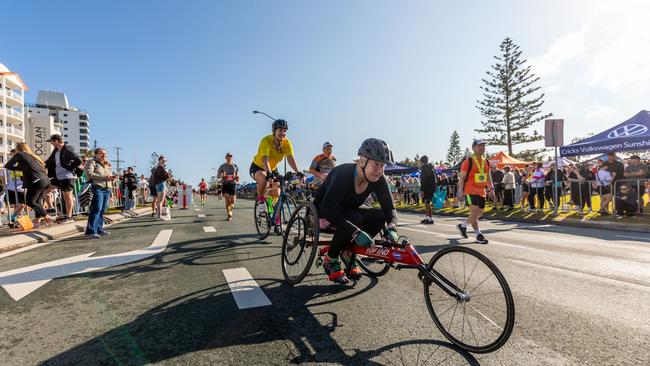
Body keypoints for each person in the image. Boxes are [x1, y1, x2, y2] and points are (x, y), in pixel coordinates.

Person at [314, 138, 398, 284]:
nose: (379, 171)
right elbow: (327, 208)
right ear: (362, 161)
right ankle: (331, 258)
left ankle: (348, 252)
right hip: (325, 209)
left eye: (383, 166)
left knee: (379, 215)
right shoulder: (343, 174)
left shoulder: (379, 178)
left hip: (350, 208)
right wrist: (356, 232)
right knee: (355, 219)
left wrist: (392, 226)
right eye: (376, 164)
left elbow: (389, 208)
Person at [250, 119, 302, 203]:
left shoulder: (286, 143)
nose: (282, 133)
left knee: (276, 192)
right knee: (264, 180)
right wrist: (269, 174)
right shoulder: (266, 140)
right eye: (280, 130)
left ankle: (274, 212)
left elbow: (290, 158)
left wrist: (298, 172)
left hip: (273, 169)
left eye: (284, 131)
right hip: (258, 167)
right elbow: (265, 159)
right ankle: (260, 201)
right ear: (274, 131)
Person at [4, 143, 54, 228]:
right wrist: (22, 167)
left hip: (37, 181)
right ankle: (37, 222)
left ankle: (47, 217)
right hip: (45, 181)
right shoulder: (33, 156)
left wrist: (18, 168)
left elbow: (8, 165)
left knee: (29, 201)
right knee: (37, 202)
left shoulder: (20, 154)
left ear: (18, 149)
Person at [457, 139, 494, 244]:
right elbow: (462, 178)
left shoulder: (486, 161)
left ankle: (463, 225)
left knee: (479, 213)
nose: (482, 147)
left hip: (481, 190)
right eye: (479, 146)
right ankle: (478, 235)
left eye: (483, 146)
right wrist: (460, 191)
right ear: (473, 148)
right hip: (470, 190)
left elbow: (488, 177)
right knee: (474, 212)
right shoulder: (468, 161)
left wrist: (491, 189)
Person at [44, 134, 82, 223]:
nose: (51, 144)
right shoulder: (56, 151)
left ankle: (69, 217)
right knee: (46, 189)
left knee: (67, 196)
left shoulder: (67, 149)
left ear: (56, 141)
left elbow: (78, 160)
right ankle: (51, 208)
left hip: (68, 176)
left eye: (52, 142)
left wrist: (70, 166)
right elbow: (49, 161)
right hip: (58, 176)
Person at [83, 148, 116, 238]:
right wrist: (105, 177)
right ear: (96, 154)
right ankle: (90, 231)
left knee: (102, 210)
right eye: (101, 153)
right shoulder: (91, 162)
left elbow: (108, 177)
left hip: (107, 188)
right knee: (96, 209)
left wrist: (111, 178)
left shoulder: (107, 164)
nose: (104, 155)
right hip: (97, 187)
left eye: (105, 153)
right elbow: (89, 174)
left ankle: (99, 229)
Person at [218, 152, 240, 221]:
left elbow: (237, 176)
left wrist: (237, 178)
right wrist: (222, 175)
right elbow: (218, 176)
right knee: (227, 200)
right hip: (225, 184)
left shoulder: (235, 166)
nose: (229, 157)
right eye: (228, 156)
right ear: (225, 157)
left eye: (230, 156)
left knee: (232, 201)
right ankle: (229, 215)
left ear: (232, 157)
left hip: (232, 184)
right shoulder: (222, 166)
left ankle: (231, 208)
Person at [419, 155, 437, 224]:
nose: (420, 163)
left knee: (427, 203)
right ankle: (427, 218)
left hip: (427, 188)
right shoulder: (431, 167)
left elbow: (423, 180)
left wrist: (422, 190)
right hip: (431, 187)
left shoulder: (424, 168)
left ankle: (430, 219)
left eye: (420, 162)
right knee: (426, 203)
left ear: (422, 162)